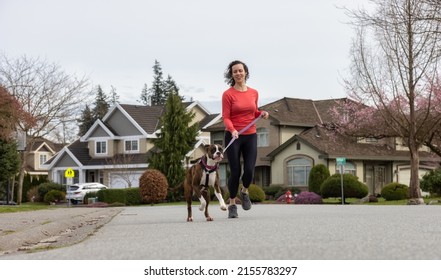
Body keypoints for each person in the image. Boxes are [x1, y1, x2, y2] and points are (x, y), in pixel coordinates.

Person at [222, 60, 269, 218]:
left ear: (246, 72)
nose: (238, 73)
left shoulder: (254, 92)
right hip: (234, 135)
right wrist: (233, 129)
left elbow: (253, 111)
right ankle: (232, 204)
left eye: (240, 70)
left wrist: (261, 113)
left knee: (249, 169)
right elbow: (226, 117)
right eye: (235, 71)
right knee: (235, 172)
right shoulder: (228, 94)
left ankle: (244, 191)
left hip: (250, 135)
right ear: (232, 74)